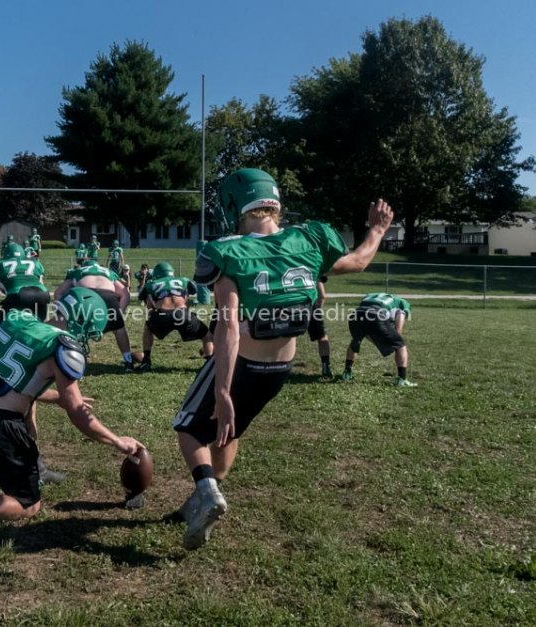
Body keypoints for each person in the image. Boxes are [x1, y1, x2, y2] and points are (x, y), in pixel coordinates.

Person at [173, 168, 393, 550]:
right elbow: (357, 261)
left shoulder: (227, 250)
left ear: (233, 206)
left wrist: (223, 392)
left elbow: (227, 327)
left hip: (241, 363)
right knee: (229, 431)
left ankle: (206, 491)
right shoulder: (309, 238)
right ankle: (205, 495)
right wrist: (377, 231)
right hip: (278, 371)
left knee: (189, 429)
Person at [0, 287, 143, 527]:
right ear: (82, 322)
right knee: (28, 504)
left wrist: (58, 399)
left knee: (19, 474)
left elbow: (16, 381)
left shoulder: (21, 320)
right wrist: (117, 440)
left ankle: (15, 476)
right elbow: (79, 415)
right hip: (0, 427)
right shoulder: (61, 346)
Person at [54, 259, 135, 373]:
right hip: (108, 295)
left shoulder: (77, 271)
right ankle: (128, 361)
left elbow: (58, 292)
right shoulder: (108, 272)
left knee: (73, 329)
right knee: (119, 329)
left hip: (85, 296)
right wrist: (119, 312)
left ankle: (70, 362)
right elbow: (125, 293)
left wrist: (67, 310)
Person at [137, 261, 213, 373]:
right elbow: (190, 294)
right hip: (183, 313)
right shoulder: (184, 280)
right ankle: (209, 365)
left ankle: (146, 361)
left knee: (148, 328)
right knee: (207, 336)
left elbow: (148, 305)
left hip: (162, 313)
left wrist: (152, 319)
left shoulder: (151, 284)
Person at [342, 292, 415, 387]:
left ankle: (346, 373)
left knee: (356, 341)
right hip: (376, 315)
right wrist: (392, 343)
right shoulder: (403, 304)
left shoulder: (372, 295)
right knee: (400, 345)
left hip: (355, 315)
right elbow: (398, 330)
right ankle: (402, 379)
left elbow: (366, 321)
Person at [0, 242, 48, 343]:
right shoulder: (35, 263)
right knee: (37, 327)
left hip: (18, 294)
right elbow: (41, 283)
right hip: (42, 294)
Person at [308, 276, 333, 377]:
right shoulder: (312, 268)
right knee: (322, 337)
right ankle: (326, 367)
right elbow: (322, 295)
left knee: (290, 337)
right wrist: (317, 310)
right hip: (310, 305)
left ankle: (282, 366)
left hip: (291, 304)